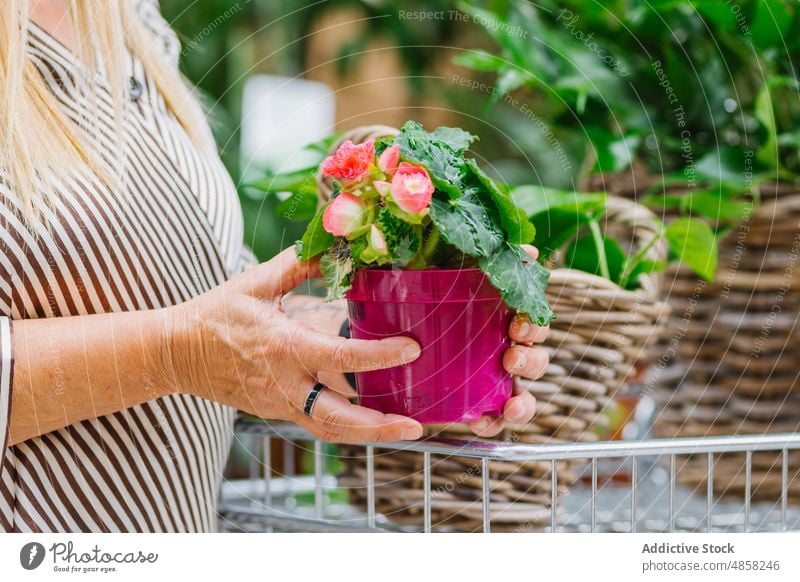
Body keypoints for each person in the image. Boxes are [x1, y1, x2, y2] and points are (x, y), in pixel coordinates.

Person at [0, 0, 550, 532]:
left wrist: (346, 344)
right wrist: (175, 353)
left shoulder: (125, 17)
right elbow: (186, 332)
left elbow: (188, 284)